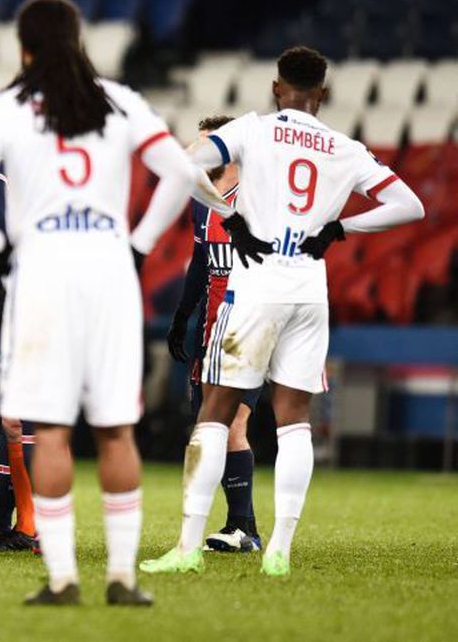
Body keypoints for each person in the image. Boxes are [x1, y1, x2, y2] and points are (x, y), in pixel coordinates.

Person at [0, 0, 204, 605]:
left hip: (40, 274)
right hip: (108, 274)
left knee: (52, 432)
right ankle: (121, 578)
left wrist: (0, 249)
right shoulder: (119, 100)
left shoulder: (8, 108)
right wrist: (139, 247)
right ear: (79, 39)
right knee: (117, 432)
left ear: (25, 48)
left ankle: (62, 578)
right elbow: (180, 173)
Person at [142, 46, 425, 578]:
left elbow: (181, 163)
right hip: (309, 293)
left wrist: (230, 212)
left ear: (277, 88)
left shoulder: (252, 129)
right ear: (324, 93)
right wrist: (341, 228)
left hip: (255, 289)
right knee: (295, 422)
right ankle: (280, 548)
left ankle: (186, 547)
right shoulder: (346, 147)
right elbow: (411, 205)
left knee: (215, 413)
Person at [167, 114, 262, 553]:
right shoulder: (202, 199)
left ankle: (244, 527)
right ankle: (239, 526)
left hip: (250, 324)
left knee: (230, 421)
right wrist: (183, 316)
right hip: (211, 326)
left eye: (209, 145)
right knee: (211, 425)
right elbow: (201, 262)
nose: (199, 154)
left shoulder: (259, 198)